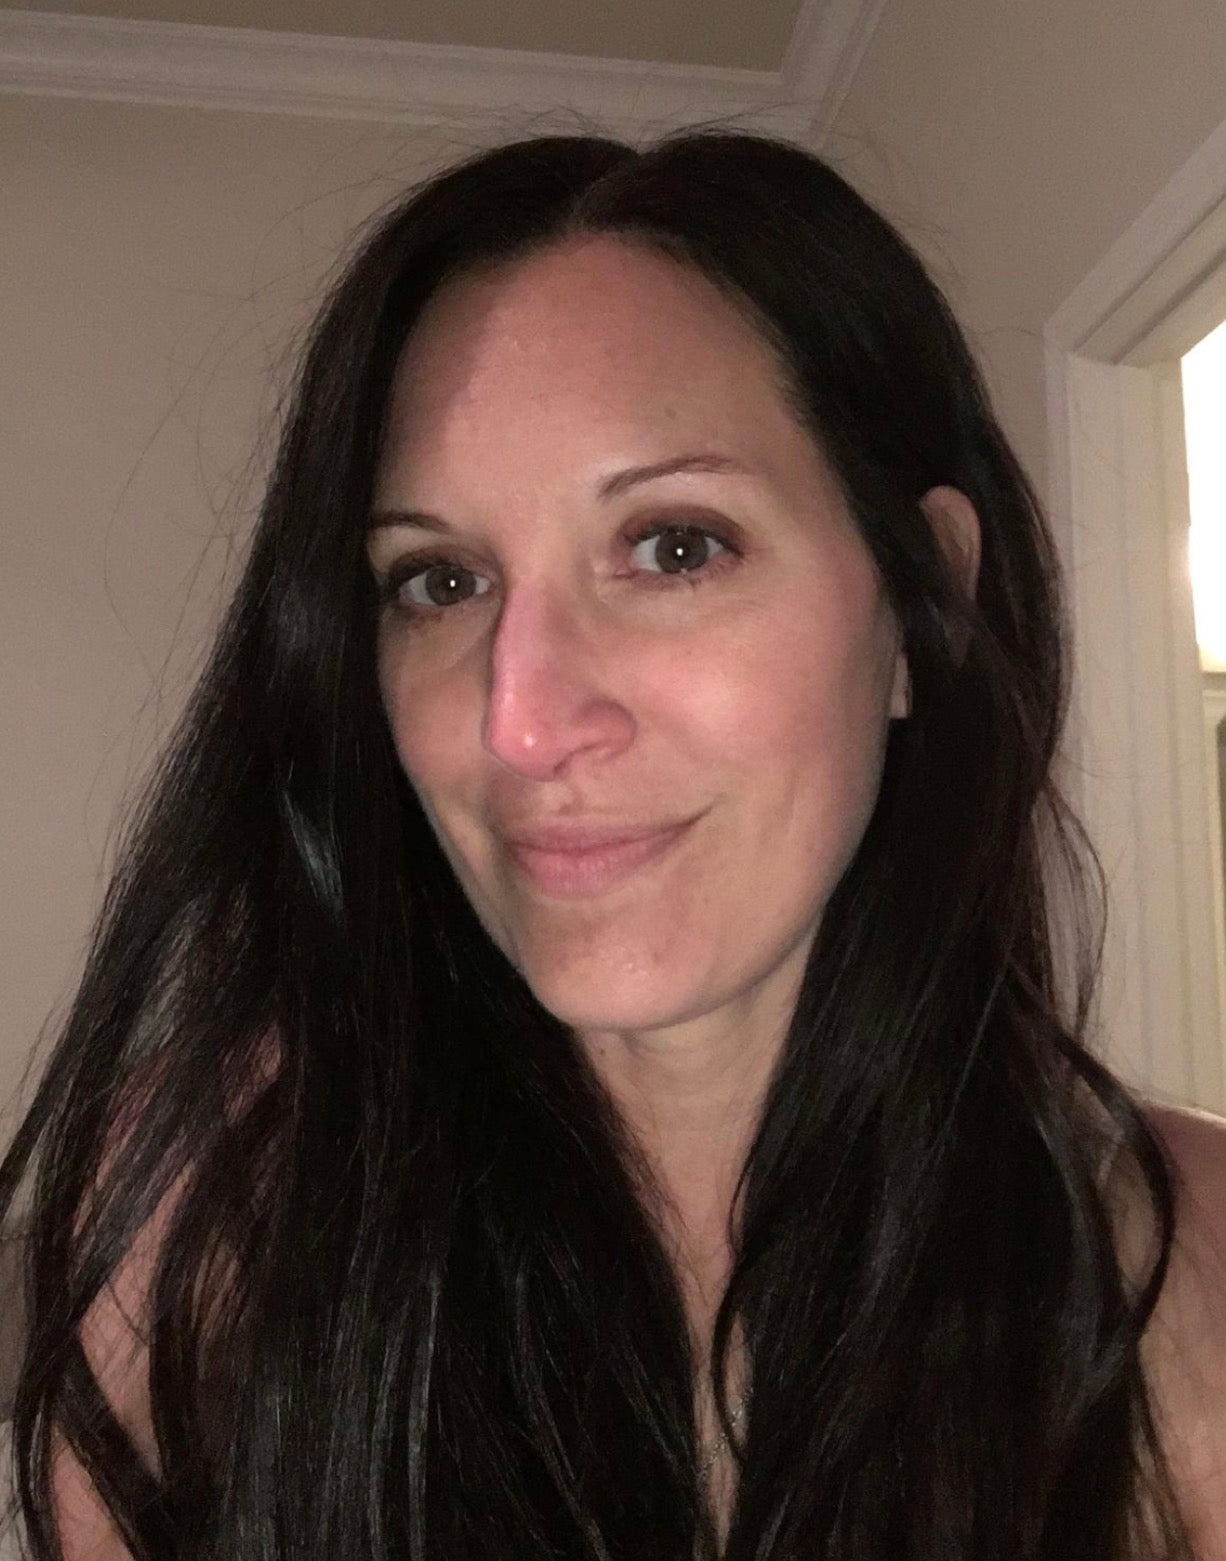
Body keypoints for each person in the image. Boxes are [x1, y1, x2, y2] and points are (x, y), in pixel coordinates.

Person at [1, 128, 1224, 1561]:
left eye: (674, 547)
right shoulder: (196, 1236)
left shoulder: (1190, 1274)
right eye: (439, 580)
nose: (517, 723)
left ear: (923, 603)